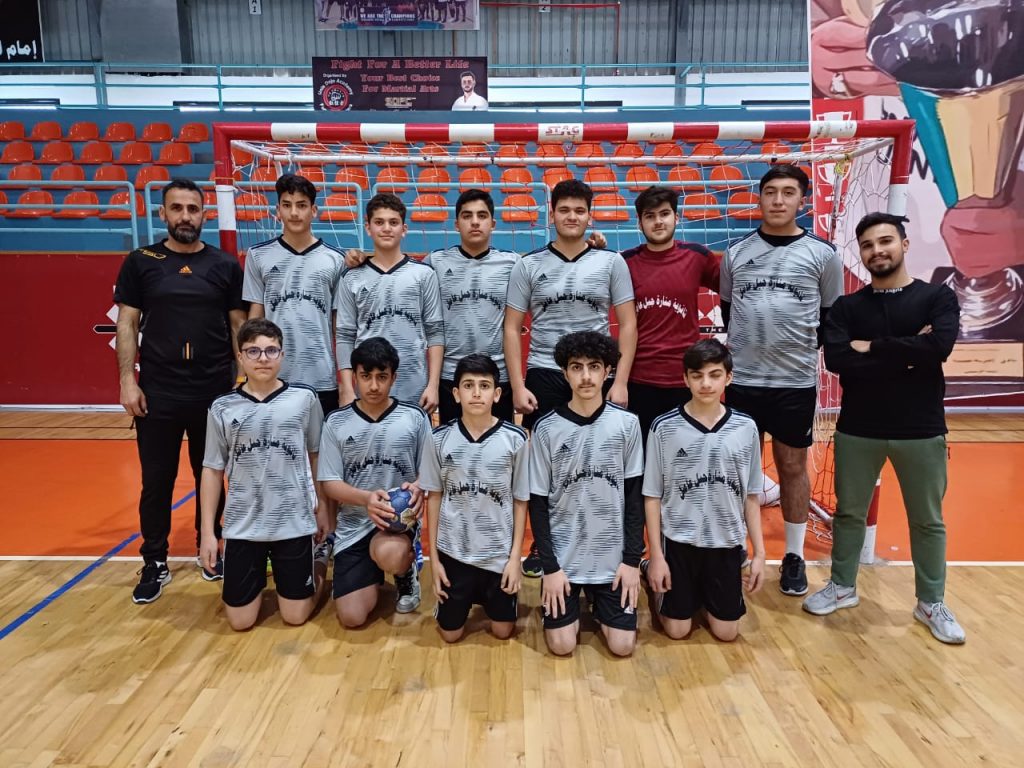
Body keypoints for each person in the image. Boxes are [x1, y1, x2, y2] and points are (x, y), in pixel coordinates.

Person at [804, 212, 966, 644]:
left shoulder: (936, 298)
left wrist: (872, 346)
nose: (877, 250)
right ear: (860, 252)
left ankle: (930, 602)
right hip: (859, 427)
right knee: (849, 513)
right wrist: (910, 352)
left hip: (921, 428)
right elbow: (838, 359)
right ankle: (842, 586)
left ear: (904, 245)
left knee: (927, 520)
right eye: (868, 245)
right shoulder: (847, 308)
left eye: (885, 241)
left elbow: (939, 346)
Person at [114, 178, 246, 604]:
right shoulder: (141, 262)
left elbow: (238, 326)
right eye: (177, 208)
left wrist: (243, 381)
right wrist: (127, 380)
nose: (185, 216)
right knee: (157, 481)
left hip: (213, 392)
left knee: (213, 476)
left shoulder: (224, 265)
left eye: (193, 209)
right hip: (159, 393)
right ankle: (154, 560)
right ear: (163, 214)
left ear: (205, 214)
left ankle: (211, 547)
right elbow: (127, 323)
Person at [718, 164, 844, 597]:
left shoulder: (823, 255)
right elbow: (730, 313)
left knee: (792, 467)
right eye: (770, 191)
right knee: (740, 468)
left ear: (802, 201)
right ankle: (736, 544)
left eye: (788, 192)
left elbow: (829, 317)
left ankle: (793, 555)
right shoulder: (736, 254)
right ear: (759, 198)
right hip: (744, 382)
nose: (777, 200)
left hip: (794, 383)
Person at [505, 178, 637, 577]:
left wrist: (620, 380)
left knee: (599, 460)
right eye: (564, 210)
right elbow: (511, 327)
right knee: (545, 465)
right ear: (552, 215)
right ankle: (541, 545)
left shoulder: (611, 262)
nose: (572, 216)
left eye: (580, 210)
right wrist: (517, 385)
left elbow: (628, 324)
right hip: (545, 372)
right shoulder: (528, 265)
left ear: (590, 216)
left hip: (595, 373)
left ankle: (607, 540)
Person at [199, 319, 331, 630]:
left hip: (293, 521)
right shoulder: (222, 407)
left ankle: (318, 560)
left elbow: (317, 456)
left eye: (271, 350)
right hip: (242, 526)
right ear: (240, 356)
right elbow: (212, 470)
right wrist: (208, 533)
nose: (263, 358)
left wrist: (323, 508)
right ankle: (257, 576)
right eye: (253, 351)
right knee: (240, 621)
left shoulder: (304, 399)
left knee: (295, 617)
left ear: (282, 355)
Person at [347, 189, 519, 424]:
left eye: (482, 215)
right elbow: (395, 267)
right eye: (467, 216)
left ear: (493, 224)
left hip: (497, 374)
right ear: (456, 224)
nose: (475, 222)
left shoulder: (513, 263)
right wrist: (357, 257)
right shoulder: (434, 262)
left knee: (499, 441)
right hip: (450, 376)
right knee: (450, 441)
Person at [529, 331, 644, 657]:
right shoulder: (546, 428)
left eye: (594, 367)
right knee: (561, 645)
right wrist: (550, 568)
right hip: (564, 561)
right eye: (576, 367)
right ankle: (574, 593)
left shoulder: (627, 425)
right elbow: (538, 503)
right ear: (565, 373)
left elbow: (634, 498)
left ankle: (601, 595)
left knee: (623, 646)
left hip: (612, 560)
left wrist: (631, 562)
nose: (586, 376)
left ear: (607, 371)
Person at [642, 339, 765, 642]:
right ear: (685, 379)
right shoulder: (663, 427)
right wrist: (656, 555)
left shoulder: (746, 428)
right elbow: (652, 496)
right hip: (679, 543)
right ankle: (651, 573)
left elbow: (751, 495)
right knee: (677, 630)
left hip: (726, 545)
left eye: (714, 375)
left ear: (729, 378)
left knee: (727, 633)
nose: (706, 383)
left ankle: (699, 595)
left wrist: (760, 553)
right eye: (697, 376)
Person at [318, 337, 432, 626]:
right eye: (365, 376)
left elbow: (431, 470)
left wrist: (420, 485)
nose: (373, 385)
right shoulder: (336, 422)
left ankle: (405, 573)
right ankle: (368, 573)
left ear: (394, 377)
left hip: (397, 523)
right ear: (354, 377)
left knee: (390, 554)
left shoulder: (414, 418)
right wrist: (366, 499)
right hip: (353, 524)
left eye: (382, 377)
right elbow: (329, 482)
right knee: (351, 618)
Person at [419, 353, 529, 642]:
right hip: (454, 554)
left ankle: (496, 599)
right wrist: (435, 561)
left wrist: (515, 559)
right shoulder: (438, 438)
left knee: (503, 632)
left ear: (497, 394)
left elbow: (520, 500)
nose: (476, 393)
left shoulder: (515, 440)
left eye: (484, 385)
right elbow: (434, 497)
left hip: (498, 555)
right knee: (450, 635)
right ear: (456, 394)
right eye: (468, 386)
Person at [620, 185, 721, 441]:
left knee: (687, 455)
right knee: (643, 457)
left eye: (664, 214)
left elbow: (736, 292)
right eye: (650, 216)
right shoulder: (625, 262)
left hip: (686, 378)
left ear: (676, 217)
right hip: (639, 379)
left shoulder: (698, 256)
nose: (658, 222)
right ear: (639, 223)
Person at [243, 173, 345, 417]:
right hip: (273, 375)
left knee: (319, 442)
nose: (294, 213)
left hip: (322, 377)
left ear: (314, 210)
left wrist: (345, 381)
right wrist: (248, 372)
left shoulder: (335, 259)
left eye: (301, 205)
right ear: (277, 210)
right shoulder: (258, 255)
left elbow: (339, 327)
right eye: (287, 205)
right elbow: (255, 319)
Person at [335, 193, 444, 412]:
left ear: (404, 229)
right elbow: (345, 335)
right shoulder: (351, 277)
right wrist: (346, 387)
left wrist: (433, 385)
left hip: (414, 386)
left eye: (393, 222)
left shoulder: (424, 274)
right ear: (368, 228)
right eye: (379, 222)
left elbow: (435, 333)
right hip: (368, 387)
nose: (386, 228)